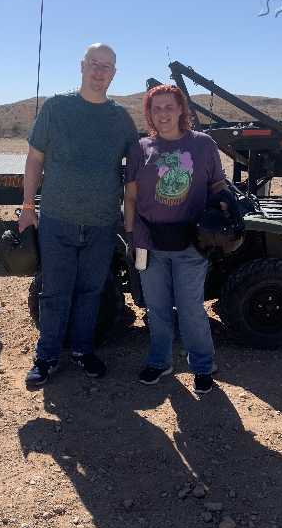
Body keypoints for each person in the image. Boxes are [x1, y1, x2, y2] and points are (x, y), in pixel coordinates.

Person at [19, 43, 138, 387]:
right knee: (54, 292)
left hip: (102, 222)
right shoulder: (56, 108)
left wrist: (133, 218)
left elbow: (135, 170)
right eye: (94, 64)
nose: (99, 72)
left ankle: (83, 351)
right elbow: (35, 159)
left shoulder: (121, 119)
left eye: (106, 66)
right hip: (57, 218)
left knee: (91, 291)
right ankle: (47, 356)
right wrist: (28, 206)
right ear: (82, 66)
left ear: (114, 73)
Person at [124, 84, 229, 395]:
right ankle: (160, 361)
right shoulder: (140, 149)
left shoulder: (203, 145)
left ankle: (202, 366)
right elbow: (131, 197)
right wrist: (130, 235)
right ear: (149, 113)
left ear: (182, 109)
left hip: (191, 243)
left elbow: (217, 185)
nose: (163, 114)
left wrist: (225, 207)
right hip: (149, 242)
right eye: (156, 108)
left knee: (190, 308)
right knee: (156, 308)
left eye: (169, 107)